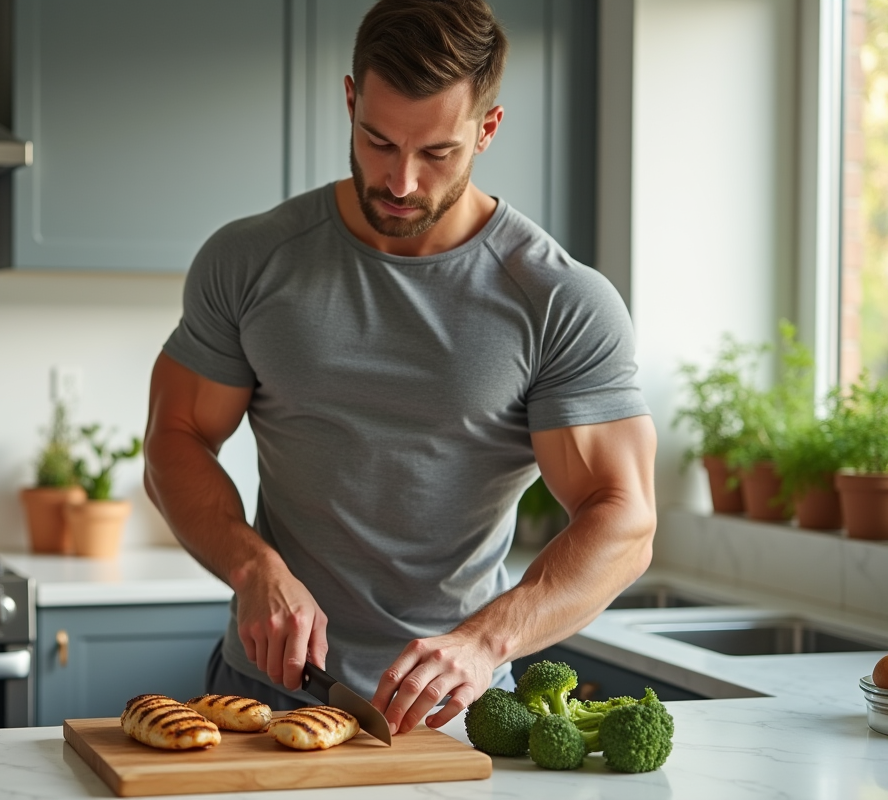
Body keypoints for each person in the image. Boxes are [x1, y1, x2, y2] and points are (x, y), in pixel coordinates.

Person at [143, 0, 657, 737]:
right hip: (260, 697)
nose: (402, 181)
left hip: (457, 708)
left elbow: (625, 519)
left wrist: (485, 641)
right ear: (350, 100)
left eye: (437, 152)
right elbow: (176, 438)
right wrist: (253, 568)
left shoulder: (558, 300)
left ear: (487, 128)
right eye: (378, 141)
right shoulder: (252, 260)